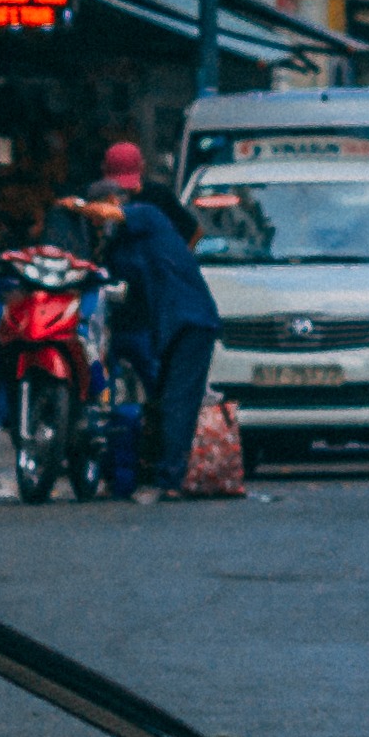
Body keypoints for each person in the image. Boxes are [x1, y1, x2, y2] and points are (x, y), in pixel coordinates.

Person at [89, 138, 226, 498]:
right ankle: (152, 470)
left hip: (189, 319)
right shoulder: (123, 240)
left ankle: (171, 480)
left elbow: (110, 215)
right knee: (163, 398)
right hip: (161, 323)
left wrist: (75, 206)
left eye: (111, 200)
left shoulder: (148, 211)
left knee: (179, 399)